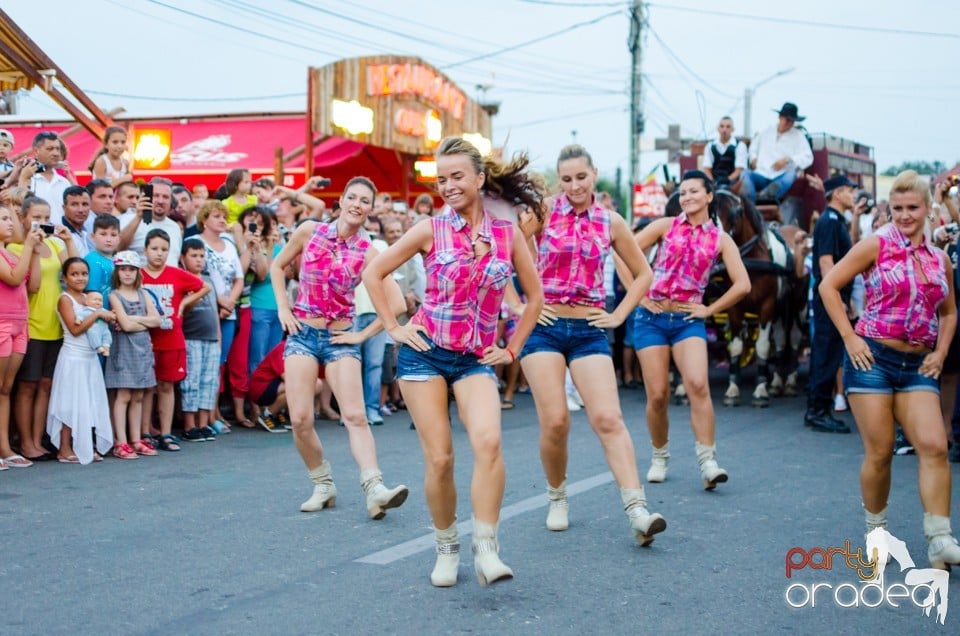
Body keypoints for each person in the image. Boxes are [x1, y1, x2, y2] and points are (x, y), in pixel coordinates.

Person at [363, 137, 544, 587]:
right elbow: (374, 272)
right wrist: (394, 326)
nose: (447, 186)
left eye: (457, 176)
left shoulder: (506, 235)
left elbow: (535, 296)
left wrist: (513, 348)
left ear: (480, 179)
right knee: (440, 460)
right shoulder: (429, 229)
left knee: (488, 443)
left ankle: (486, 548)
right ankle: (446, 547)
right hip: (424, 355)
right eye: (441, 179)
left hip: (474, 359)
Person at [517, 144, 666, 544]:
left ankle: (638, 509)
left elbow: (643, 274)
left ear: (594, 174)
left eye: (581, 177)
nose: (574, 185)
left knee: (607, 419)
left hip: (588, 329)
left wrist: (619, 316)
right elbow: (502, 250)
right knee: (556, 421)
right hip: (544, 329)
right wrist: (519, 305)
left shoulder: (610, 221)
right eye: (566, 179)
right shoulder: (543, 212)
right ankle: (557, 496)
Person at [819, 169, 960, 570]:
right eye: (896, 208)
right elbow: (828, 286)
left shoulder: (939, 259)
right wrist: (849, 337)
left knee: (934, 445)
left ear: (927, 208)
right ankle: (876, 535)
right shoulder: (875, 245)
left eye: (912, 207)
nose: (903, 215)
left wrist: (941, 351)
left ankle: (940, 540)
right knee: (880, 452)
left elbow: (949, 312)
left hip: (917, 364)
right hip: (872, 360)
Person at [270, 176, 409, 519]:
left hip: (339, 338)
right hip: (303, 332)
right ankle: (323, 484)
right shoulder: (310, 232)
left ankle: (374, 488)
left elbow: (397, 303)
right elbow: (276, 266)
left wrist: (362, 336)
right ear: (342, 200)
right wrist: (283, 308)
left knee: (356, 416)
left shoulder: (370, 253)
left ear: (370, 208)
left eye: (365, 200)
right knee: (301, 418)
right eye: (352, 197)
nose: (357, 204)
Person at [632, 170, 751, 490]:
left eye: (694, 191)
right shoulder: (664, 226)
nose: (687, 197)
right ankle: (659, 455)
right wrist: (639, 296)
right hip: (651, 318)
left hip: (688, 320)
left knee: (698, 384)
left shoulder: (720, 239)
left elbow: (743, 284)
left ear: (709, 196)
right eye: (683, 192)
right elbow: (622, 252)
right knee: (657, 394)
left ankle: (708, 461)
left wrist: (710, 309)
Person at [10, 197, 79, 462]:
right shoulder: (18, 247)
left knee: (46, 385)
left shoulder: (53, 243)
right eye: (36, 216)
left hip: (56, 324)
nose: (41, 221)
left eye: (46, 216)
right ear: (25, 217)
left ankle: (38, 440)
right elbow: (32, 286)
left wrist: (68, 240)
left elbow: (76, 270)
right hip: (33, 324)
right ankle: (26, 442)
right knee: (27, 386)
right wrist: (34, 249)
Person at [140, 229, 210, 452]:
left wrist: (184, 304)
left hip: (171, 339)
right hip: (144, 339)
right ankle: (144, 432)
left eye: (164, 250)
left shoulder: (176, 273)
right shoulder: (139, 274)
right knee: (146, 387)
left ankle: (166, 432)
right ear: (145, 250)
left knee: (166, 386)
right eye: (154, 249)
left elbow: (204, 287)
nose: (159, 254)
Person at [47, 258, 116, 464]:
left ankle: (84, 444)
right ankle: (65, 448)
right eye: (74, 274)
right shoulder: (65, 299)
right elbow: (75, 329)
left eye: (84, 274)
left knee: (88, 403)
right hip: (73, 358)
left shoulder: (89, 298)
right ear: (65, 277)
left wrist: (108, 318)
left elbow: (100, 326)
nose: (80, 278)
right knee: (69, 403)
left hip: (89, 357)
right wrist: (97, 315)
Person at [805, 175, 858, 433]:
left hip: (836, 298)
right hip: (830, 299)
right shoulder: (828, 221)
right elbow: (827, 264)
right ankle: (817, 411)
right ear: (837, 193)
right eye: (849, 191)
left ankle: (820, 409)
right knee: (826, 354)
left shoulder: (837, 221)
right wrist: (836, 298)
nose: (853, 195)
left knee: (831, 352)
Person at [106, 251, 161, 459]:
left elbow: (157, 321)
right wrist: (142, 320)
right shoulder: (114, 295)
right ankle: (120, 441)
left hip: (142, 349)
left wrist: (134, 319)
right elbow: (126, 326)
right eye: (123, 269)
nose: (127, 274)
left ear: (137, 272)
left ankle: (136, 438)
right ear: (117, 272)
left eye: (131, 270)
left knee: (139, 394)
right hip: (124, 349)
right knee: (124, 395)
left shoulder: (144, 293)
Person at [0, 207, 41, 469]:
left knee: (5, 389)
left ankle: (4, 447)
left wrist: (35, 251)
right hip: (1, 324)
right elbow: (14, 279)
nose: (10, 223)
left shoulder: (10, 251)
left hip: (19, 324)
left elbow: (33, 284)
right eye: (3, 219)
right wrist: (27, 245)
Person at [179, 239, 224, 442]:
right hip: (191, 337)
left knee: (209, 380)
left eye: (201, 256)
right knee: (192, 381)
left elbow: (215, 311)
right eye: (193, 256)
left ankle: (204, 423)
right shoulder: (183, 280)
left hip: (211, 337)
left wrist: (218, 335)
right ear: (183, 258)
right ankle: (190, 424)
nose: (198, 260)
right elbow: (182, 311)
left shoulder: (209, 280)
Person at [742, 102, 813, 202]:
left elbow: (808, 157)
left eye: (792, 121)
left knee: (791, 175)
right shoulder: (766, 131)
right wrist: (753, 158)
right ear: (780, 117)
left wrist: (788, 160)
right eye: (787, 120)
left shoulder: (799, 136)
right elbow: (753, 147)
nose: (790, 123)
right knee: (745, 174)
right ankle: (751, 202)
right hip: (761, 173)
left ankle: (767, 195)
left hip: (781, 176)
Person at [119, 178, 183, 266]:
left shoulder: (175, 227)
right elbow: (117, 248)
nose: (160, 201)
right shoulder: (128, 219)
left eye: (165, 197)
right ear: (146, 197)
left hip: (169, 278)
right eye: (156, 196)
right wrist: (138, 217)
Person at [20, 132, 71, 224]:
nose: (56, 153)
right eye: (50, 149)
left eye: (57, 149)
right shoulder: (27, 179)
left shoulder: (65, 182)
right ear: (36, 151)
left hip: (61, 236)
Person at [702, 116, 748, 191]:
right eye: (722, 126)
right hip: (714, 183)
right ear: (718, 128)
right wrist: (713, 181)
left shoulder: (740, 146)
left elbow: (739, 169)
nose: (724, 129)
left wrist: (727, 180)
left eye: (728, 127)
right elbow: (707, 169)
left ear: (733, 129)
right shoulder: (709, 146)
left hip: (733, 183)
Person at [84, 214, 121, 300]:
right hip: (100, 310)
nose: (108, 239)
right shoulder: (92, 260)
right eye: (103, 234)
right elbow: (91, 293)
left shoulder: (118, 260)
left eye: (113, 235)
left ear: (119, 237)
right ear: (93, 236)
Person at [75, 291, 112, 356]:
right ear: (87, 302)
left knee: (107, 336)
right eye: (95, 300)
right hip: (93, 328)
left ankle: (106, 349)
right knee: (92, 334)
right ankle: (98, 347)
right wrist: (78, 320)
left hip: (104, 328)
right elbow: (81, 315)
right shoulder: (87, 310)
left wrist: (112, 316)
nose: (98, 302)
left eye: (100, 300)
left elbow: (109, 315)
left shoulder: (103, 310)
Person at [60, 186, 94, 256]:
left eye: (85, 204)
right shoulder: (60, 236)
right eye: (74, 205)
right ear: (64, 208)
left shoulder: (87, 231)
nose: (80, 210)